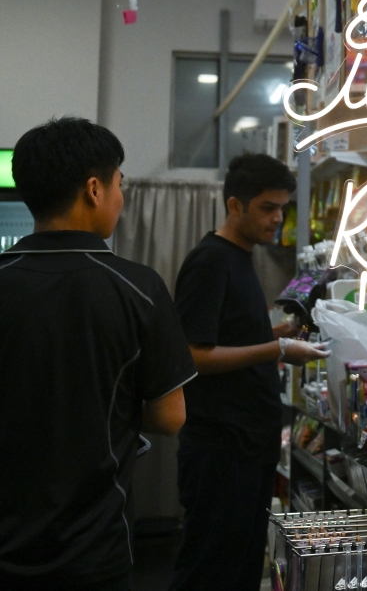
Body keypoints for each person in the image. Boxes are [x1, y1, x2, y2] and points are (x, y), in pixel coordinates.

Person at [0, 118, 196, 591]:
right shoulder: (139, 289)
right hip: (92, 550)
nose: (121, 199)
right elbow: (170, 417)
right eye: (118, 185)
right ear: (94, 189)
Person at [170, 153, 330, 591]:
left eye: (282, 208)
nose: (277, 218)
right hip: (221, 449)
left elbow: (229, 334)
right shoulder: (211, 261)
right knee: (210, 570)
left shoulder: (240, 258)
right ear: (235, 205)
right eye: (267, 208)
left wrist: (275, 332)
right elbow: (193, 355)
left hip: (245, 445)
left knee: (238, 567)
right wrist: (276, 347)